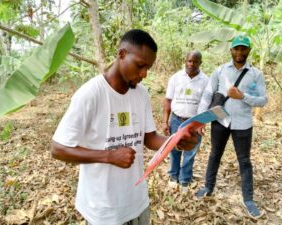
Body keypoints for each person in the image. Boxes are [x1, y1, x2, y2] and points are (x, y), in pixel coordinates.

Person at [51, 29, 198, 225]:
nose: (144, 74)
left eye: (148, 68)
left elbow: (149, 138)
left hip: (137, 201)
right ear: (122, 54)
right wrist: (109, 156)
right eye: (140, 65)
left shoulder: (141, 94)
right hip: (103, 208)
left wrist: (177, 141)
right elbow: (58, 149)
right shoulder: (90, 94)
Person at [196, 35, 267, 219]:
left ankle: (248, 199)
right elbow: (208, 94)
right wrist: (200, 119)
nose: (240, 52)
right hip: (220, 120)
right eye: (237, 48)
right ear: (231, 50)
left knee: (244, 161)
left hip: (243, 124)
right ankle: (208, 187)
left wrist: (242, 96)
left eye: (243, 48)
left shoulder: (256, 74)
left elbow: (263, 100)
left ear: (249, 51)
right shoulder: (220, 71)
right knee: (214, 155)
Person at [162, 51, 209, 191]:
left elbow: (207, 103)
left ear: (200, 62)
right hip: (177, 119)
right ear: (185, 61)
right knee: (174, 148)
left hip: (195, 122)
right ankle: (173, 176)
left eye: (195, 61)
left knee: (191, 151)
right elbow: (168, 100)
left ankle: (184, 180)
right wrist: (165, 121)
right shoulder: (176, 78)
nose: (191, 64)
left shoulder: (206, 80)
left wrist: (203, 122)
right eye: (189, 61)